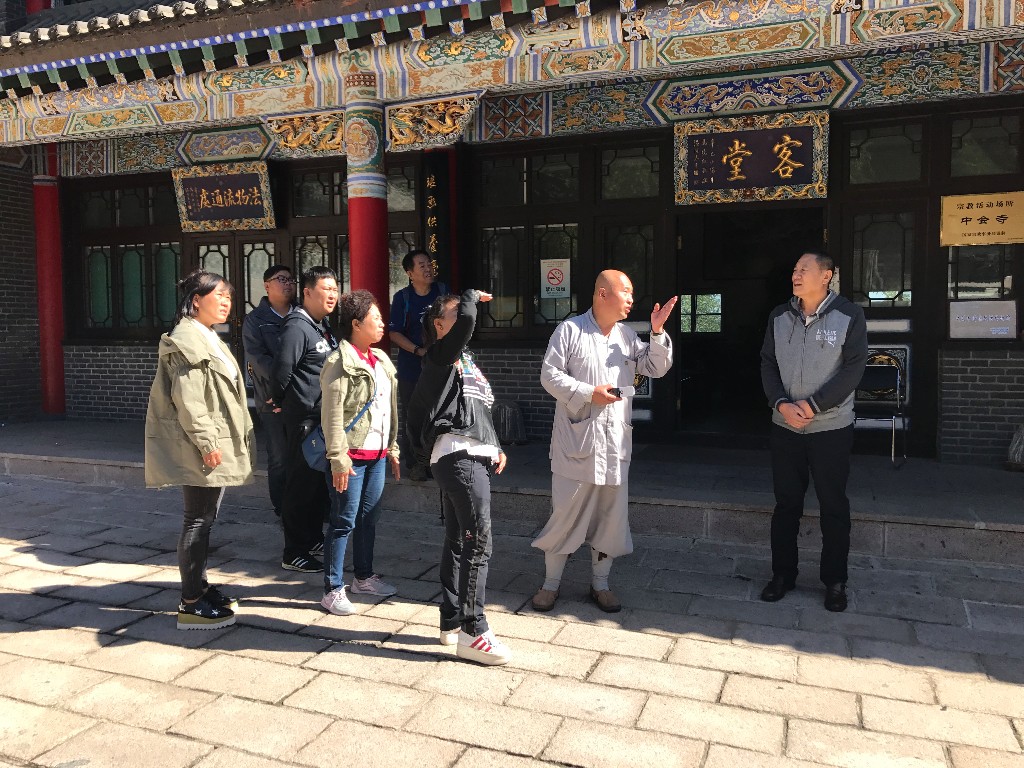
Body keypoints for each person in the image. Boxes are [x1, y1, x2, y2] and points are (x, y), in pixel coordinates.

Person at [531, 270, 676, 614]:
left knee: (611, 519)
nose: (631, 299)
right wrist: (587, 393)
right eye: (626, 292)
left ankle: (601, 584)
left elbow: (656, 367)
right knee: (566, 515)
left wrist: (657, 332)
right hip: (576, 443)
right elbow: (549, 376)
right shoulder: (570, 330)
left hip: (614, 444)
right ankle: (550, 584)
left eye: (632, 293)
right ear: (602, 294)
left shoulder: (626, 335)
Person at [144, 269, 254, 630]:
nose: (226, 302)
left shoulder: (207, 335)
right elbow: (189, 400)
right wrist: (207, 443)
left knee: (205, 519)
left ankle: (200, 588)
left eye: (229, 297)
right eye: (218, 295)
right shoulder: (187, 339)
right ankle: (190, 603)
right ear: (196, 300)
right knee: (197, 519)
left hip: (212, 441)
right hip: (202, 444)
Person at [406, 289, 512, 666]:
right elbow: (466, 321)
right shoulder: (441, 355)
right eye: (456, 313)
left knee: (458, 539)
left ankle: (451, 620)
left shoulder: (463, 360)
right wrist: (469, 296)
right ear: (439, 325)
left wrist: (494, 446)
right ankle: (473, 629)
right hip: (458, 455)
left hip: (469, 452)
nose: (469, 318)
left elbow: (477, 409)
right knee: (478, 540)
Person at [759, 251, 868, 613]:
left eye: (804, 269)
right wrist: (781, 403)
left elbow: (853, 369)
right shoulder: (779, 316)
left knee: (833, 506)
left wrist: (814, 405)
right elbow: (768, 363)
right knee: (786, 504)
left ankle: (835, 581)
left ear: (826, 276)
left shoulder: (849, 315)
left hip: (830, 428)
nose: (796, 274)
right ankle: (782, 574)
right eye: (794, 268)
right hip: (785, 426)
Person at [318, 290, 402, 616]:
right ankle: (332, 589)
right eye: (375, 318)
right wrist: (338, 459)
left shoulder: (380, 359)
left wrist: (392, 447)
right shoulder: (338, 363)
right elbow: (332, 416)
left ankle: (363, 578)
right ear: (356, 324)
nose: (382, 324)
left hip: (376, 455)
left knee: (369, 519)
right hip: (350, 458)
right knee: (343, 521)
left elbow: (388, 409)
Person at [269, 266, 340, 573]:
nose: (332, 295)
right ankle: (293, 550)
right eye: (326, 289)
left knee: (315, 485)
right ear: (308, 292)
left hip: (321, 419)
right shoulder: (297, 326)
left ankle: (311, 538)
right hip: (304, 420)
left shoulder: (321, 326)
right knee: (299, 485)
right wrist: (282, 402)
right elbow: (282, 371)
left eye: (335, 289)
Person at [388, 249, 447, 481]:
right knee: (414, 416)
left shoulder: (442, 292)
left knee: (439, 413)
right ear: (409, 273)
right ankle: (416, 463)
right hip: (412, 367)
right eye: (421, 265)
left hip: (440, 365)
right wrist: (418, 350)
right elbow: (394, 332)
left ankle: (437, 461)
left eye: (429, 264)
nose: (428, 268)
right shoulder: (402, 298)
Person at [242, 264, 295, 518]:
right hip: (271, 400)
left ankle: (308, 504)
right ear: (267, 285)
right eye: (281, 279)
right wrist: (284, 386)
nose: (288, 284)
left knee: (306, 455)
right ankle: (283, 507)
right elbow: (258, 360)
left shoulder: (302, 315)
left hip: (302, 399)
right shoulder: (256, 320)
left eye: (291, 280)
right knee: (279, 457)